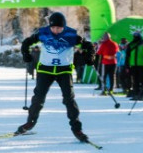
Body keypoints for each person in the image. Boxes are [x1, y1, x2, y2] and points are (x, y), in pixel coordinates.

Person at [16, 12, 89, 142]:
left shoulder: (71, 36)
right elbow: (27, 42)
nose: (56, 30)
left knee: (69, 99)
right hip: (45, 70)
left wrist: (90, 56)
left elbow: (88, 46)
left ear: (64, 27)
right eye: (53, 27)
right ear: (50, 26)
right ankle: (30, 123)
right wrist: (26, 54)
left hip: (64, 71)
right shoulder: (43, 34)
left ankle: (77, 129)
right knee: (38, 98)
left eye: (59, 28)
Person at [126, 32, 143, 100]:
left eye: (137, 36)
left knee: (142, 80)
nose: (135, 37)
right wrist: (127, 66)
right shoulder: (130, 44)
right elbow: (127, 56)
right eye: (134, 36)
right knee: (135, 81)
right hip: (133, 66)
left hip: (142, 66)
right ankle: (136, 95)